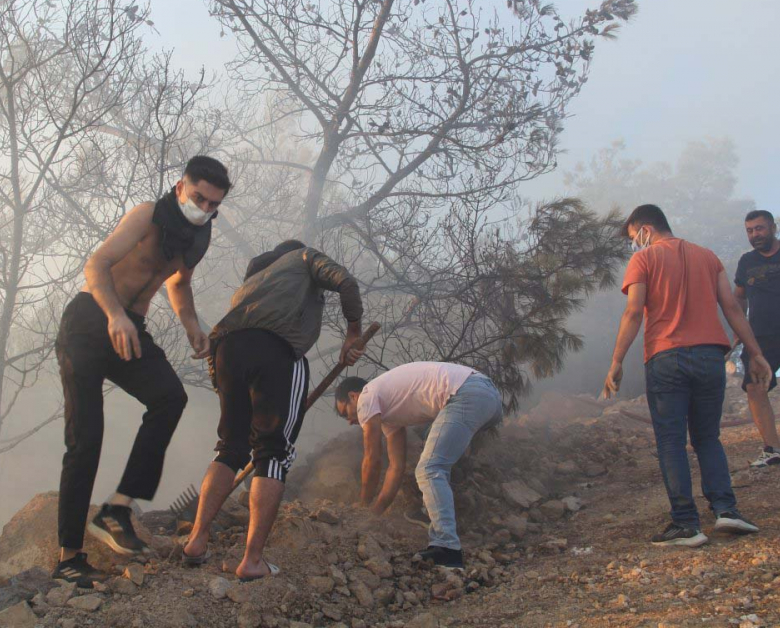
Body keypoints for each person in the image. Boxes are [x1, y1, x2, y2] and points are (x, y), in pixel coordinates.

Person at [51, 156, 230, 587]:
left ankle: (116, 509)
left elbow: (179, 283)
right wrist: (115, 314)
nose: (203, 208)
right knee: (86, 439)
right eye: (198, 197)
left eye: (212, 205)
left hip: (131, 329)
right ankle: (69, 557)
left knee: (170, 397)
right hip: (91, 320)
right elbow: (96, 265)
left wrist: (193, 328)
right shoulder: (146, 215)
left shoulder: (197, 237)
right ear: (179, 185)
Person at [181, 240, 364, 581]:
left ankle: (196, 542)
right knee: (273, 453)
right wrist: (353, 333)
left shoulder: (252, 282)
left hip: (226, 352)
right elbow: (346, 282)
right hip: (276, 351)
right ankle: (252, 561)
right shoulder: (304, 256)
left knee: (230, 447)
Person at [601, 204, 772, 548]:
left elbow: (634, 311)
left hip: (667, 359)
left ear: (646, 228)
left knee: (671, 441)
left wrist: (616, 360)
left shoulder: (644, 260)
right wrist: (756, 353)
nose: (635, 244)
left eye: (635, 237)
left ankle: (686, 524)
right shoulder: (707, 257)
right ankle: (727, 510)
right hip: (710, 356)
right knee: (708, 438)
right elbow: (733, 307)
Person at [334, 362, 503, 569]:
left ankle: (447, 548)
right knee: (431, 451)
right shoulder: (389, 415)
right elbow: (395, 468)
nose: (349, 421)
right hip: (487, 396)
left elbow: (372, 458)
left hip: (468, 392)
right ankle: (430, 511)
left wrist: (362, 506)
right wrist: (375, 512)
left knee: (429, 468)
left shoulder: (367, 395)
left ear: (353, 396)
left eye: (345, 413)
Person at [734, 209, 780, 468]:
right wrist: (737, 330)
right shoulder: (746, 262)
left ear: (773, 227)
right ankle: (772, 449)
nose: (755, 234)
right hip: (762, 336)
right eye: (750, 230)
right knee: (755, 387)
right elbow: (740, 296)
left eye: (760, 228)